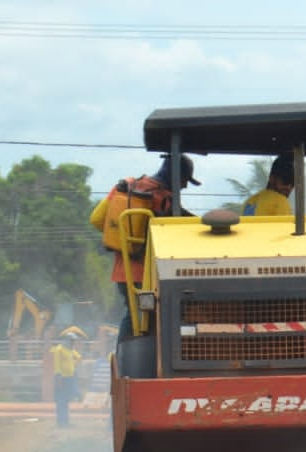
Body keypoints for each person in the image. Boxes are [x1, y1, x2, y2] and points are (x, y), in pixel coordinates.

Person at [90, 153, 199, 338]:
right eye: (184, 179)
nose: (184, 185)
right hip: (148, 275)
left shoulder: (126, 186)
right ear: (174, 175)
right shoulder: (165, 200)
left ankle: (127, 360)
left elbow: (96, 219)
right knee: (155, 319)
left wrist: (122, 242)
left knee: (133, 316)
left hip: (123, 271)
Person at [50, 332, 83, 427]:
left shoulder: (70, 350)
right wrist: (58, 376)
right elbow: (57, 364)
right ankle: (61, 422)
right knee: (61, 400)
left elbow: (79, 357)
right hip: (62, 378)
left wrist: (74, 365)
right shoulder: (59, 349)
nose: (73, 343)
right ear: (67, 340)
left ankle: (65, 421)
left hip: (70, 378)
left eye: (74, 341)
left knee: (66, 400)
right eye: (72, 341)